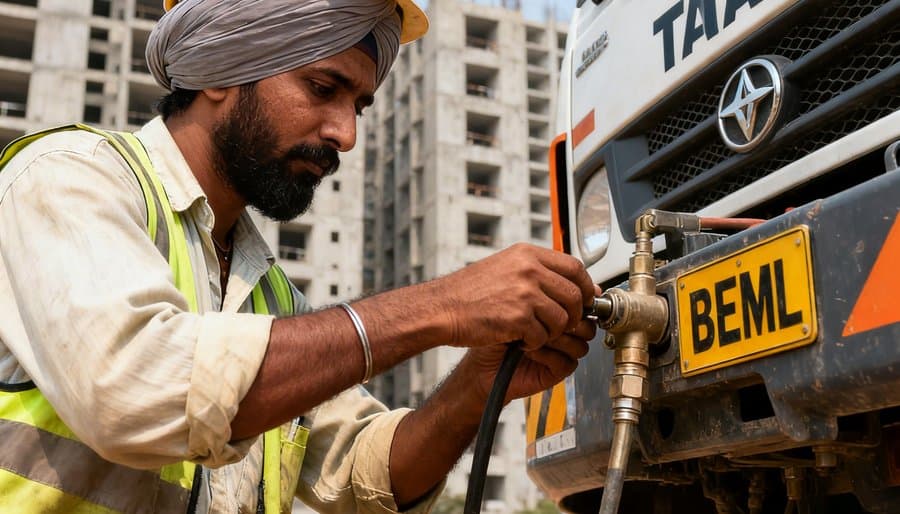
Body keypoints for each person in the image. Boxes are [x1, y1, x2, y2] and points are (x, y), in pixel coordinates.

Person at [0, 0, 598, 512]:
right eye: (322, 88)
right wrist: (443, 305)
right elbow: (134, 391)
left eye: (359, 105)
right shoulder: (68, 181)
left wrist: (476, 383)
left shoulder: (272, 296)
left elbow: (367, 475)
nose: (346, 133)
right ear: (223, 69)